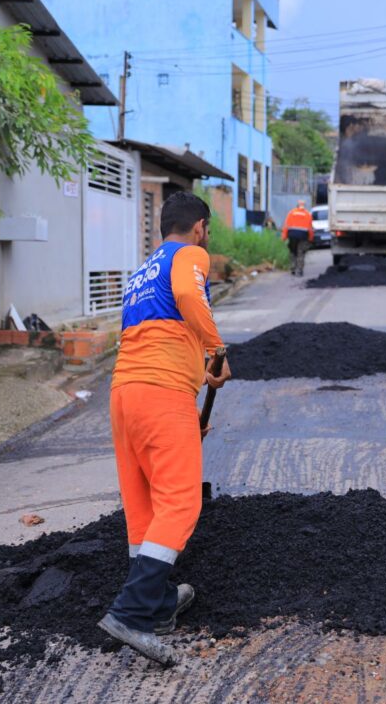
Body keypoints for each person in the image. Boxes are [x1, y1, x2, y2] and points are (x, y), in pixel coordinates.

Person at [98, 192, 231, 665]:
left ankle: (156, 604)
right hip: (159, 392)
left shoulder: (143, 270)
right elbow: (190, 296)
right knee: (181, 503)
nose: (206, 241)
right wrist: (217, 348)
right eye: (208, 232)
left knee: (144, 504)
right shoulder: (190, 254)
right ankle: (130, 613)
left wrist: (198, 381)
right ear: (199, 227)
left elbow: (164, 334)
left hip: (125, 395)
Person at [282, 199, 314, 276]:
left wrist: (284, 237)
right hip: (303, 236)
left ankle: (293, 268)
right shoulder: (307, 214)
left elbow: (286, 226)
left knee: (293, 251)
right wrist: (310, 238)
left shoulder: (291, 213)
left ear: (297, 205)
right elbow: (310, 229)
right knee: (300, 252)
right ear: (304, 206)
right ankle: (299, 270)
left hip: (292, 235)